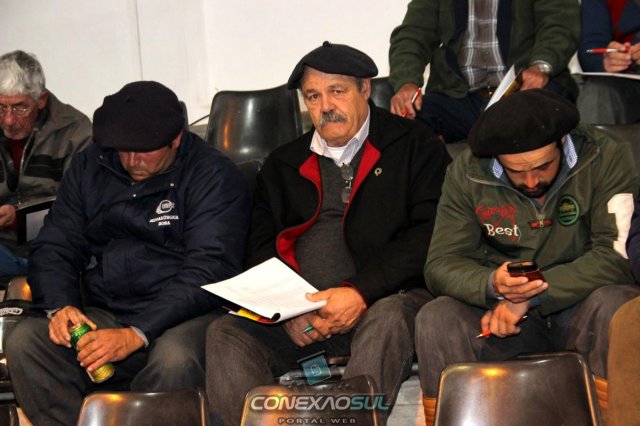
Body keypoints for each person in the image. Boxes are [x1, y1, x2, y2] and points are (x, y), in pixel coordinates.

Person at [206, 41, 451, 425]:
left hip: (387, 298)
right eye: (313, 96)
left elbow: (430, 233)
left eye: (337, 91)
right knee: (225, 333)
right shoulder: (282, 164)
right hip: (304, 317)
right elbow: (260, 248)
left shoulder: (414, 145)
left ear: (365, 89)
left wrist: (360, 292)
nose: (325, 106)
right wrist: (286, 310)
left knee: (388, 318)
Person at [4, 81, 251, 425]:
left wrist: (137, 332)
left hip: (185, 316)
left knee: (174, 359)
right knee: (25, 343)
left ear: (176, 139)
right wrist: (61, 306)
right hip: (108, 310)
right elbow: (56, 243)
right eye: (123, 150)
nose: (132, 161)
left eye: (144, 151)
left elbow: (210, 269)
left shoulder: (213, 175)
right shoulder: (90, 165)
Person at [415, 89, 640, 425]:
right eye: (516, 172)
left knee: (618, 306)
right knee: (436, 318)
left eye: (542, 166)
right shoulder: (467, 172)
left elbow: (616, 254)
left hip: (582, 302)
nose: (532, 181)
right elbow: (441, 264)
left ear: (562, 140)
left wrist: (532, 295)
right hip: (499, 313)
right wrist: (492, 285)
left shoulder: (607, 155)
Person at [388, 0, 580, 143]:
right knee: (407, 119)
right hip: (460, 99)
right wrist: (407, 83)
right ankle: (443, 182)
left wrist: (540, 67)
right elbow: (412, 35)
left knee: (546, 107)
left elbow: (560, 25)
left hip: (521, 91)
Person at [0, 50, 92, 275]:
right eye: (1, 107)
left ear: (41, 99)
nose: (9, 120)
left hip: (59, 249)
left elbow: (83, 208)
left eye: (20, 107)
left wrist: (18, 219)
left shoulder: (77, 133)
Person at [577, 0, 640, 124]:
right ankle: (594, 137)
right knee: (597, 91)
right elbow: (589, 50)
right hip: (628, 79)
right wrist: (605, 60)